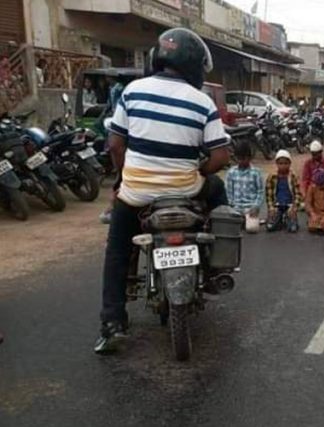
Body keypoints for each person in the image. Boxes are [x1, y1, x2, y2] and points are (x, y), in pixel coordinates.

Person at [94, 28, 231, 354]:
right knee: (217, 192)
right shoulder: (203, 102)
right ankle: (215, 266)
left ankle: (112, 323)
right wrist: (198, 170)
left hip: (136, 193)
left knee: (116, 252)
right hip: (185, 190)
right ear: (194, 65)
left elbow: (115, 143)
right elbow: (220, 156)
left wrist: (125, 174)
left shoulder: (132, 91)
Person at [225, 142, 264, 233]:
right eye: (239, 158)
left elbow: (260, 192)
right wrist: (231, 206)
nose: (241, 161)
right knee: (229, 229)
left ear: (249, 157)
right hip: (236, 208)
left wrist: (256, 206)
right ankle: (241, 221)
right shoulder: (231, 172)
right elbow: (229, 192)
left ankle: (247, 220)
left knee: (252, 229)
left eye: (243, 158)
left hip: (250, 208)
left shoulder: (256, 172)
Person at [266, 150, 302, 233]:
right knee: (270, 227)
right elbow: (269, 196)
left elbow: (298, 194)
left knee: (293, 228)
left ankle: (289, 219)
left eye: (286, 163)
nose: (283, 166)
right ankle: (279, 219)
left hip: (289, 205)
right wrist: (271, 208)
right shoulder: (272, 177)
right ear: (277, 164)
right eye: (280, 163)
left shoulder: (293, 176)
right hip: (277, 205)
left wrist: (294, 207)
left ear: (289, 164)